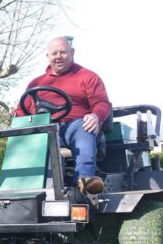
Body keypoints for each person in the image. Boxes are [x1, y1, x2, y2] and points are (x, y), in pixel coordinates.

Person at [16, 36, 111, 194]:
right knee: (21, 133)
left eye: (63, 52)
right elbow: (20, 113)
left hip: (73, 127)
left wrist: (95, 116)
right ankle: (13, 183)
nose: (58, 56)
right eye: (54, 53)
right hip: (43, 129)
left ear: (72, 53)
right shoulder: (35, 84)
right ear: (48, 57)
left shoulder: (88, 77)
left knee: (83, 125)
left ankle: (85, 179)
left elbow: (101, 103)